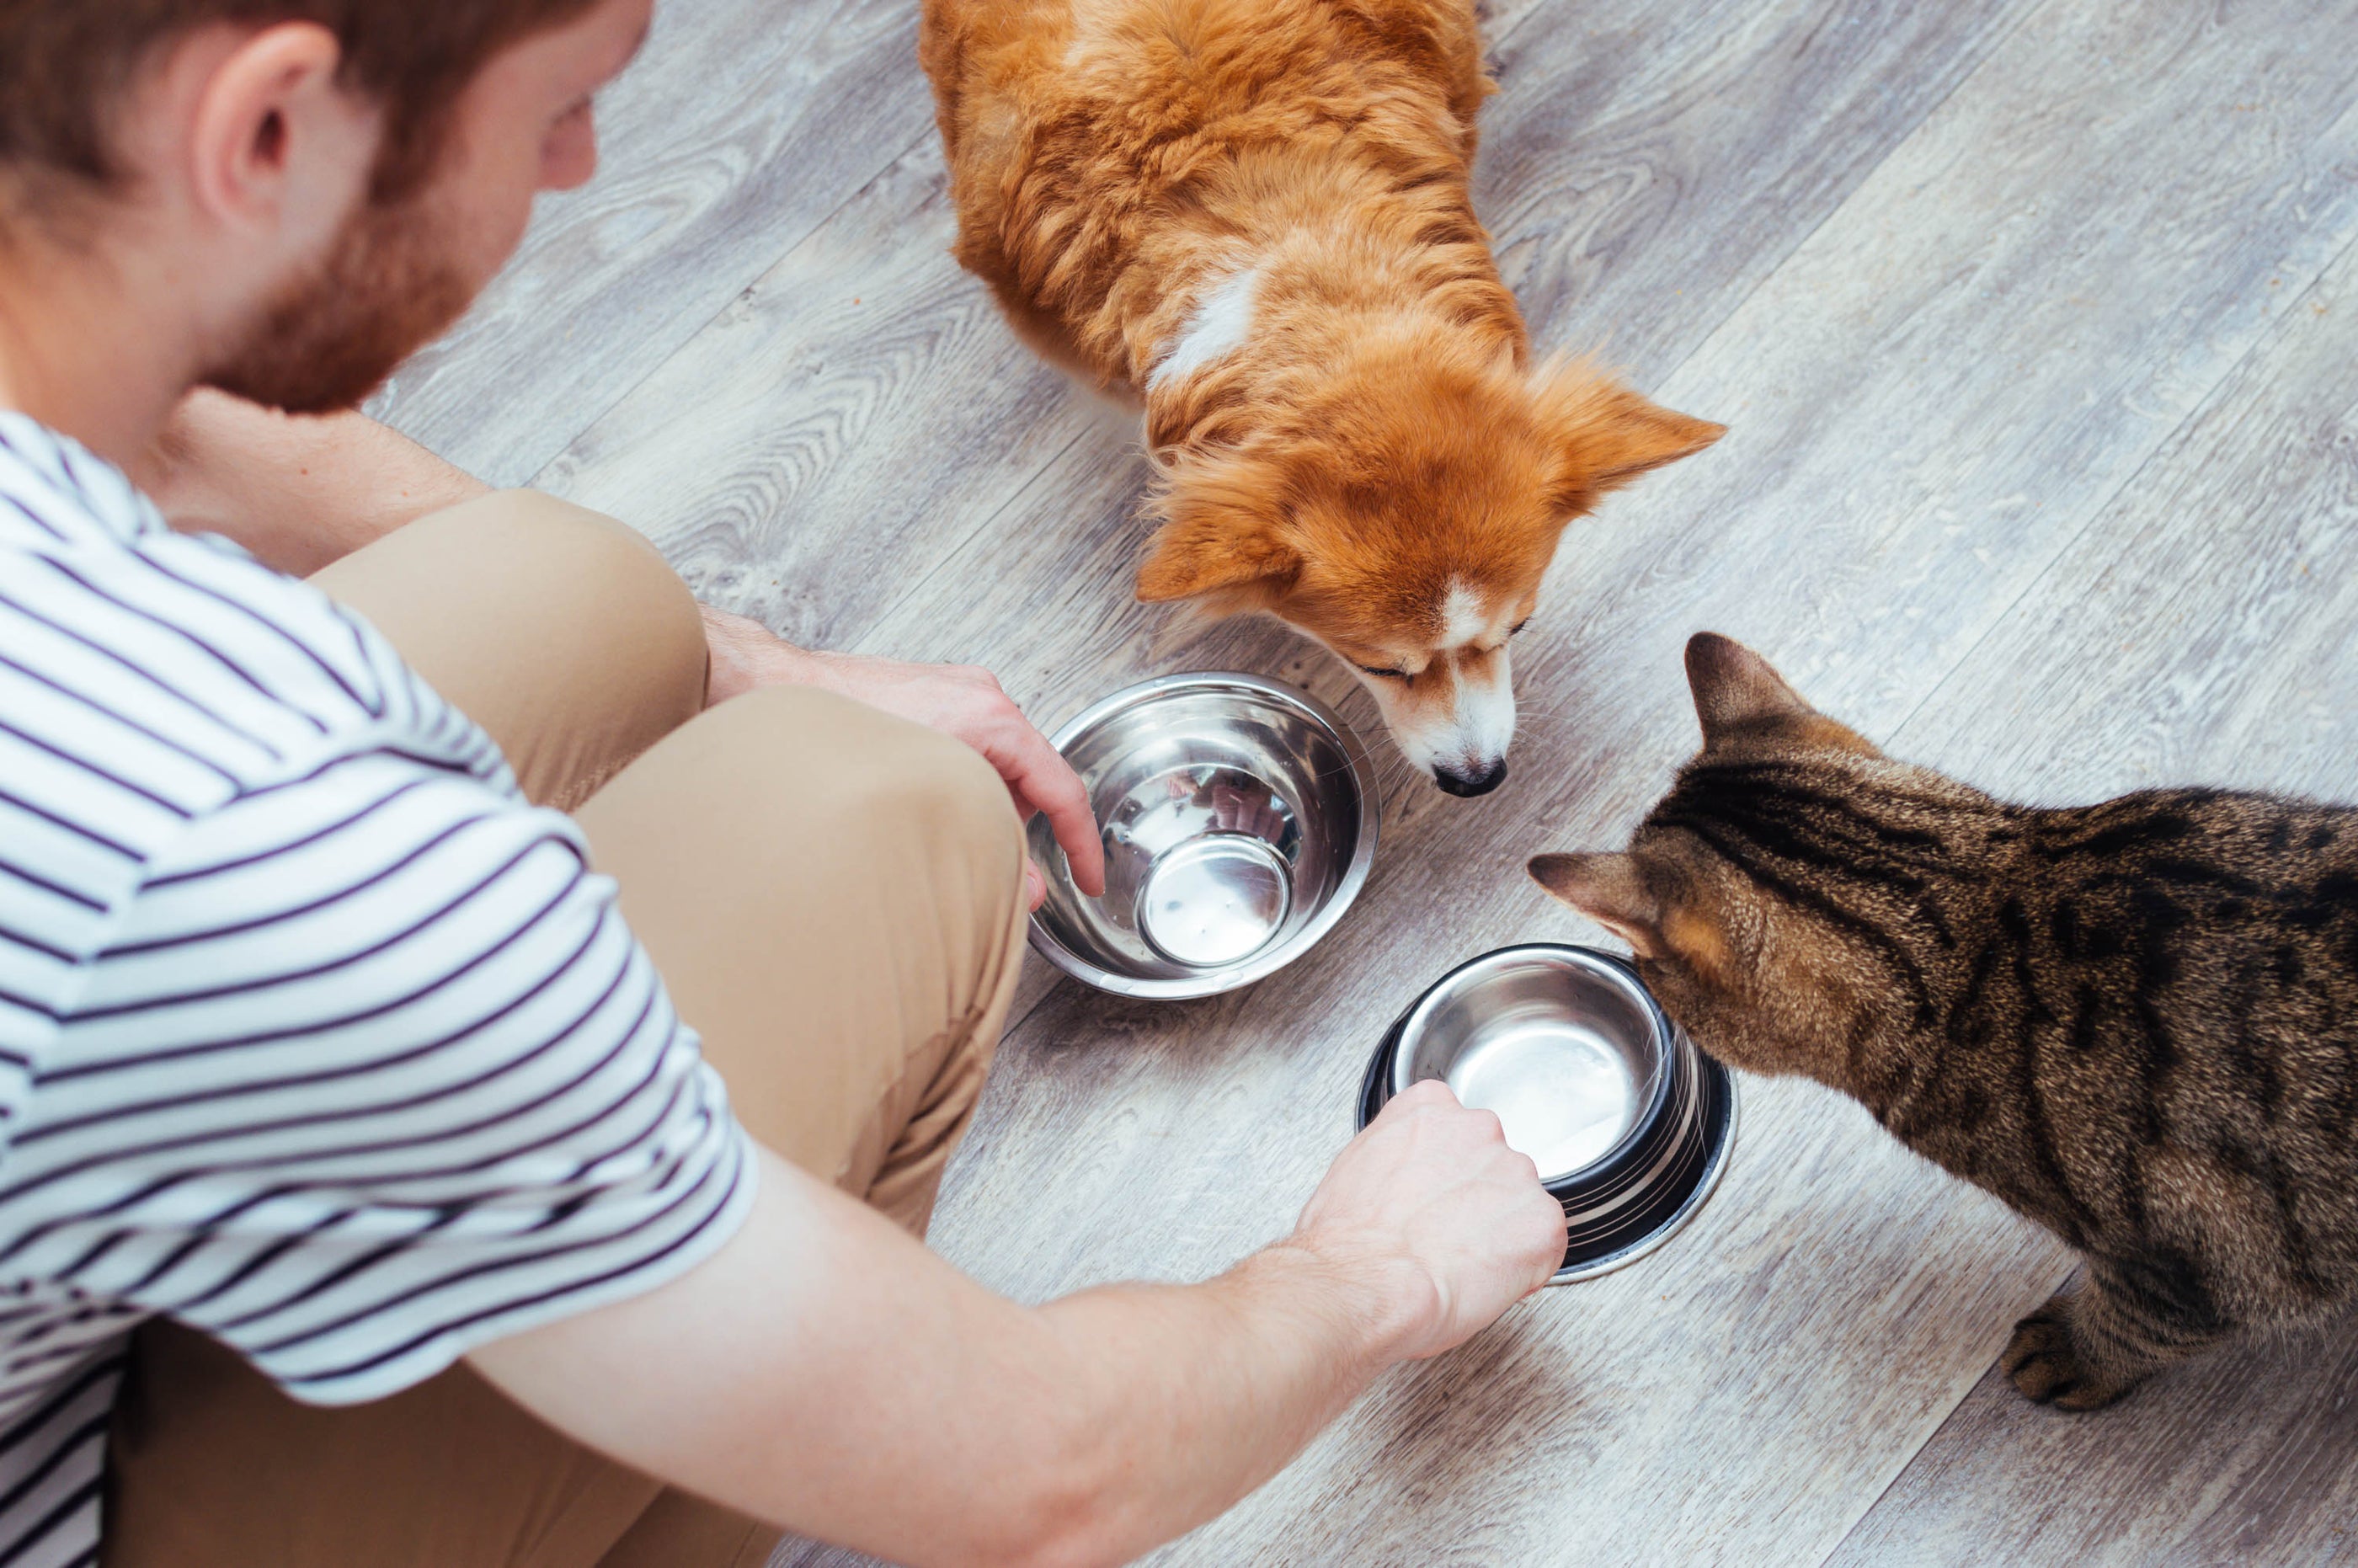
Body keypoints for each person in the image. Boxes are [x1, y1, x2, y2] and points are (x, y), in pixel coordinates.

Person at [0, 2, 1571, 1564]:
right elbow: (1050, 1477)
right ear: (264, 128)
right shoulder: (269, 850)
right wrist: (1378, 1274)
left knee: (585, 589)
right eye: (563, 102)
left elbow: (187, 433)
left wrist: (746, 656)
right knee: (905, 821)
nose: (586, 163)